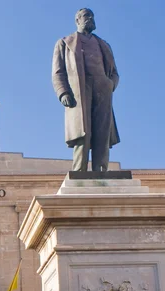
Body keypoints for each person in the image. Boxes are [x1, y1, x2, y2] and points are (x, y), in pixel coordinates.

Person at [52, 8, 120, 172]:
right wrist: (63, 92)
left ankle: (101, 169)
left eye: (92, 16)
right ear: (77, 20)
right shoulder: (65, 42)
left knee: (102, 131)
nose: (90, 18)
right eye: (85, 16)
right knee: (83, 132)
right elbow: (58, 72)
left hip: (102, 88)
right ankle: (79, 170)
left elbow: (114, 72)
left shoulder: (104, 45)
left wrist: (110, 84)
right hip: (79, 90)